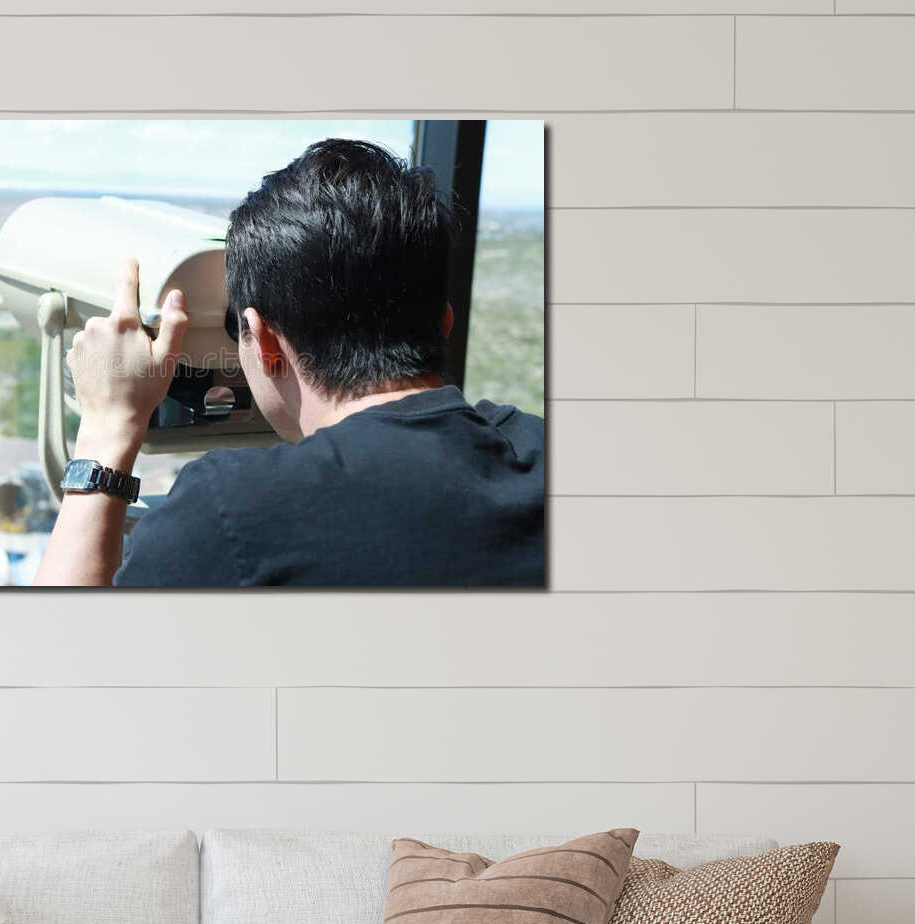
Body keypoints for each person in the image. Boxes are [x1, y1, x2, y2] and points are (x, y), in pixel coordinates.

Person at [33, 138, 544, 588]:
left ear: (263, 340)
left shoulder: (234, 513)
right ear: (445, 324)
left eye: (236, 329)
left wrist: (107, 429)